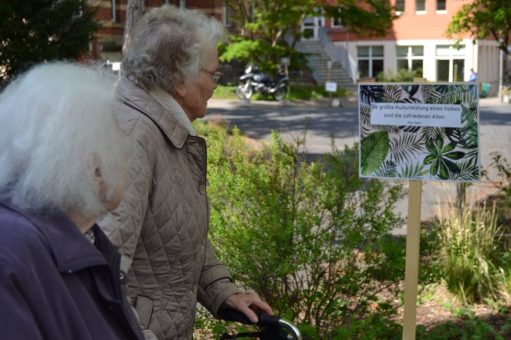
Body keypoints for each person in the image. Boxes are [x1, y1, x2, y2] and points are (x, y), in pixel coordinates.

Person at [98, 5, 272, 339]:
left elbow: (173, 230)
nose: (215, 86)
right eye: (214, 75)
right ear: (179, 78)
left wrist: (222, 290)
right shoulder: (133, 138)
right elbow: (100, 275)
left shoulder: (164, 129)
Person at [0, 62, 143, 340]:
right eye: (120, 144)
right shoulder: (14, 256)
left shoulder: (73, 237)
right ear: (96, 169)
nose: (128, 156)